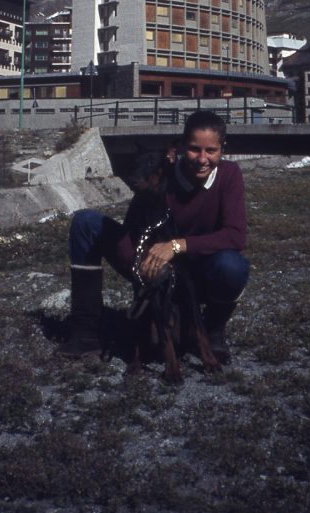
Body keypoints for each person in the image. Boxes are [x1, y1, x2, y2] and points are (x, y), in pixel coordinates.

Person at [60, 109, 249, 364]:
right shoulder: (161, 174)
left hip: (199, 271)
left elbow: (235, 237)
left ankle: (211, 330)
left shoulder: (229, 175)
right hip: (151, 263)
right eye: (194, 149)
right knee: (85, 223)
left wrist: (176, 246)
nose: (202, 159)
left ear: (222, 149)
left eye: (211, 151)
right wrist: (143, 259)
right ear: (181, 147)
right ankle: (85, 332)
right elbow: (132, 227)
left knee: (233, 267)